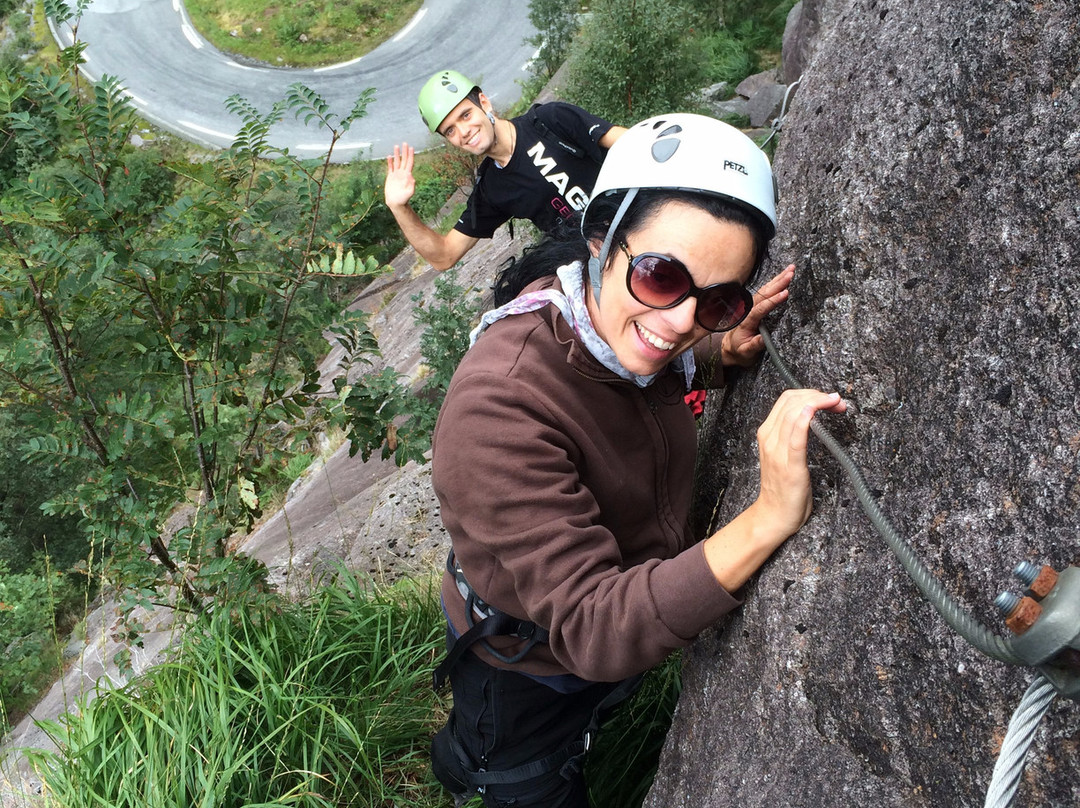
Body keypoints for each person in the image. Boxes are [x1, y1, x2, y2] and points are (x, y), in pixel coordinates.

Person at [427, 112, 847, 807]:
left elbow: (647, 363)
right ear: (599, 241)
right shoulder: (497, 408)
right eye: (659, 276)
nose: (682, 320)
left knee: (593, 711)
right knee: (518, 773)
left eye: (718, 298)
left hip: (603, 625)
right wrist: (771, 516)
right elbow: (594, 628)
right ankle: (463, 762)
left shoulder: (613, 331)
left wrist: (719, 350)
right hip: (526, 662)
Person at [384, 69, 626, 270]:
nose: (463, 131)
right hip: (604, 262)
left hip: (637, 214)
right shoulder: (492, 189)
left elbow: (631, 142)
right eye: (450, 130)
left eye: (465, 115)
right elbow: (445, 256)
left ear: (484, 103)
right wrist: (399, 207)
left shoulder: (549, 121)